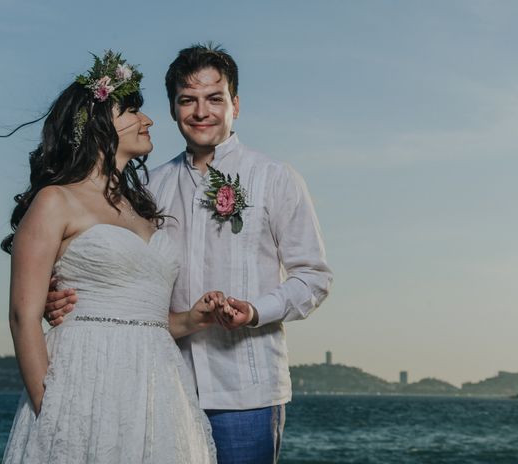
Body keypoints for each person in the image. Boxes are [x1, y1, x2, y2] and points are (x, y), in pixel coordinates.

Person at [47, 43, 333, 464]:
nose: (202, 111)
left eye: (215, 98)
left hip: (246, 394)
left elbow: (313, 278)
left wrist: (255, 310)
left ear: (235, 104)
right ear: (173, 108)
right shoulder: (147, 190)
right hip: (160, 385)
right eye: (188, 100)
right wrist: (63, 297)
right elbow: (114, 268)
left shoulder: (275, 178)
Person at [1, 51, 218, 463]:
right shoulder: (55, 201)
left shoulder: (142, 210)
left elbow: (141, 318)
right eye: (132, 110)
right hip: (84, 384)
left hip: (157, 386)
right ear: (97, 126)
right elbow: (22, 316)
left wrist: (193, 319)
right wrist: (53, 414)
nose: (148, 119)